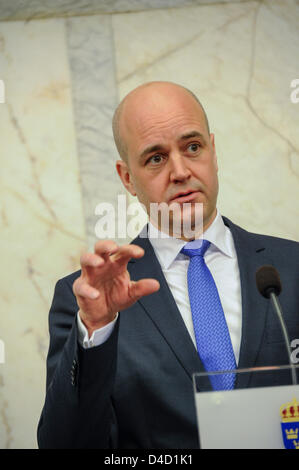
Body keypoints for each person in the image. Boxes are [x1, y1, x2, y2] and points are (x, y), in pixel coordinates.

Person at [37, 81, 299, 449]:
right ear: (127, 177)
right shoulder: (92, 301)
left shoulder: (292, 267)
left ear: (213, 152)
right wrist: (96, 329)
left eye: (193, 147)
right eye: (155, 158)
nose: (180, 171)